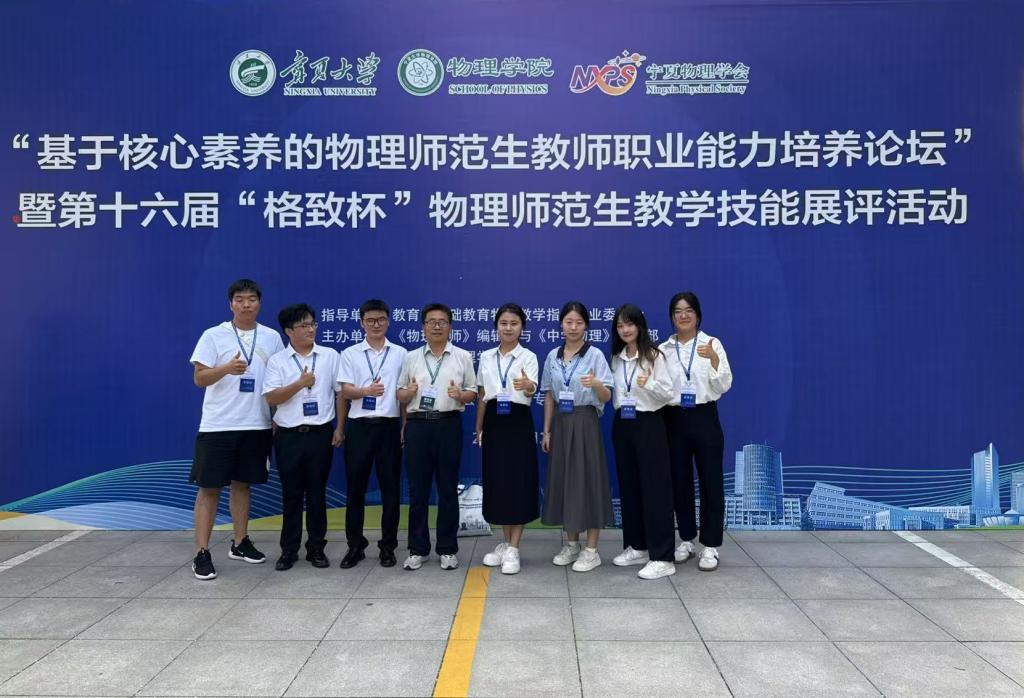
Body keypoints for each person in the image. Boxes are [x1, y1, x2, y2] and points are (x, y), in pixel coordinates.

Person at [188, 279, 284, 580]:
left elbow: (279, 379)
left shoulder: (271, 337)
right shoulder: (213, 335)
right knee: (210, 489)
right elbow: (200, 378)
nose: (246, 304)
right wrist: (226, 369)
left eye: (252, 299)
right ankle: (201, 552)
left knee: (242, 486)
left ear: (259, 303)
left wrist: (276, 417)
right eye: (240, 299)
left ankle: (240, 542)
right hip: (218, 425)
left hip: (256, 424)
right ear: (231, 304)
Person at [263, 304, 344, 571]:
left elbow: (340, 393)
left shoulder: (330, 356)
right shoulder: (277, 361)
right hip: (288, 436)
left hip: (320, 434)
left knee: (317, 493)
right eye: (304, 325)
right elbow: (272, 397)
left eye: (312, 324)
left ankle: (316, 548)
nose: (311, 329)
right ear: (289, 331)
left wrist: (339, 427)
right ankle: (289, 550)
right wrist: (300, 383)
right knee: (291, 494)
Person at [397, 303, 477, 571]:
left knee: (447, 488)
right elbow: (400, 395)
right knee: (418, 490)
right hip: (418, 426)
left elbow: (473, 392)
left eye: (442, 321)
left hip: (448, 424)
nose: (437, 326)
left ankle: (447, 549)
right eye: (431, 321)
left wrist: (461, 395)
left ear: (450, 326)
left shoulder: (462, 356)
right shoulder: (411, 357)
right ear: (423, 327)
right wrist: (408, 392)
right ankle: (417, 549)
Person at [660, 291, 733, 571]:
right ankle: (687, 539)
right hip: (673, 417)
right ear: (672, 317)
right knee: (679, 481)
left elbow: (724, 385)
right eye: (678, 311)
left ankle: (711, 545)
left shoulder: (712, 343)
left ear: (698, 315)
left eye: (689, 310)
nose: (683, 315)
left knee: (711, 481)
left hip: (704, 416)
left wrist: (713, 360)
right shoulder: (664, 350)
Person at [540, 301, 614, 572]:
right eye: (568, 322)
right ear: (561, 324)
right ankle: (572, 544)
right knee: (565, 481)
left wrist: (596, 384)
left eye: (579, 323)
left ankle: (591, 550)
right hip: (561, 422)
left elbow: (607, 396)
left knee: (589, 480)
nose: (573, 327)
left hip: (585, 421)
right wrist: (547, 430)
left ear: (586, 326)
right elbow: (549, 395)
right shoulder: (553, 356)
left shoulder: (595, 355)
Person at [336, 299, 408, 568]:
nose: (376, 325)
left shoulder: (401, 353)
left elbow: (403, 396)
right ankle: (355, 546)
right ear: (361, 323)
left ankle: (388, 547)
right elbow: (345, 391)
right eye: (370, 320)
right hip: (359, 427)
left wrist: (404, 425)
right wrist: (365, 391)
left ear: (388, 321)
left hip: (389, 427)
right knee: (355, 489)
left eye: (380, 320)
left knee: (391, 490)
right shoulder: (350, 353)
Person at [609, 304, 677, 579]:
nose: (625, 330)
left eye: (630, 324)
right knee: (630, 487)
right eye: (620, 325)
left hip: (649, 423)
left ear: (639, 326)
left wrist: (648, 383)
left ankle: (663, 556)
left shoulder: (654, 356)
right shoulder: (616, 358)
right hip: (622, 424)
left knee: (655, 489)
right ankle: (637, 546)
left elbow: (668, 394)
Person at [474, 303, 540, 575]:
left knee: (518, 480)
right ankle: (504, 542)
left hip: (518, 420)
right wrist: (479, 427)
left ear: (522, 327)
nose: (508, 328)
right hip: (493, 419)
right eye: (504, 323)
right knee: (498, 480)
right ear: (496, 327)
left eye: (514, 323)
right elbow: (482, 395)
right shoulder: (486, 357)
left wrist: (527, 386)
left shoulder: (529, 356)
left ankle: (514, 547)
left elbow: (532, 388)